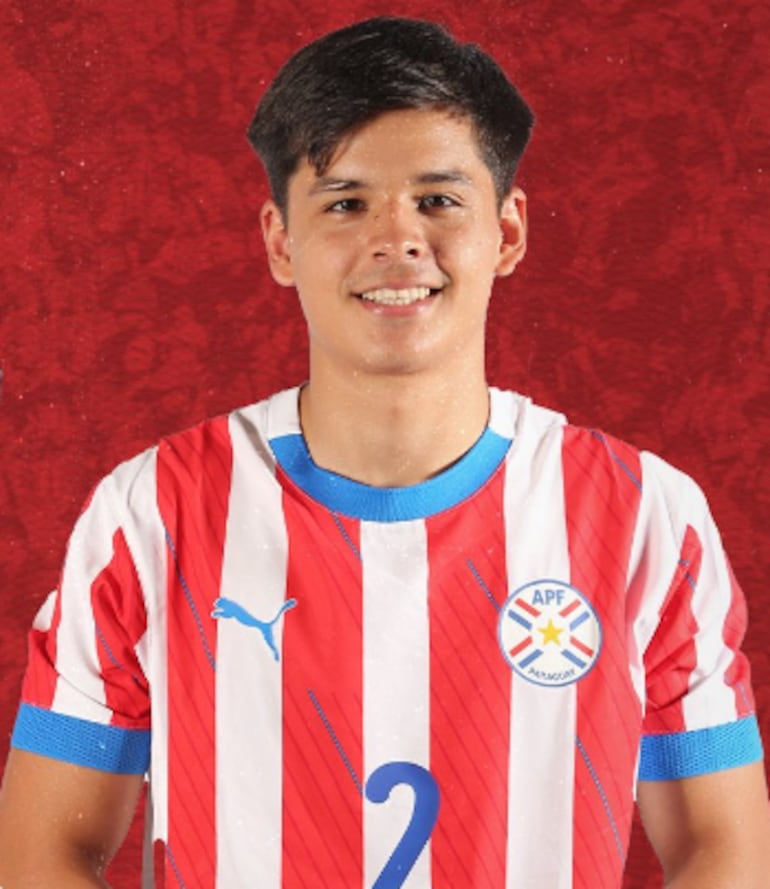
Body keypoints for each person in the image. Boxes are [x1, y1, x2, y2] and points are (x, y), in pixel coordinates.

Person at [0, 16, 768, 889]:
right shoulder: (153, 511)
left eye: (438, 200)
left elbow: (725, 848)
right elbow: (42, 850)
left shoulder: (643, 514)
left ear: (508, 231)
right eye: (346, 202)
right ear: (280, 240)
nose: (397, 239)